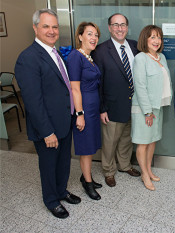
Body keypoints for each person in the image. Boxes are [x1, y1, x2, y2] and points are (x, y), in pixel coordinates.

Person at [14, 9, 81, 219]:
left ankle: (61, 191)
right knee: (49, 165)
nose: (52, 31)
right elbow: (33, 101)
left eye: (54, 26)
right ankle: (51, 200)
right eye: (46, 26)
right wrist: (47, 132)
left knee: (63, 162)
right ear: (35, 28)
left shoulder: (55, 52)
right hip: (48, 127)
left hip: (64, 119)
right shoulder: (28, 58)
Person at [92, 13, 141, 187]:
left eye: (123, 25)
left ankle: (125, 165)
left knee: (126, 138)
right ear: (109, 27)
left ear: (127, 27)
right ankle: (108, 170)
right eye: (115, 25)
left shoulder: (136, 46)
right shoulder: (101, 50)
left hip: (133, 104)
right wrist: (102, 108)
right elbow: (98, 83)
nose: (119, 28)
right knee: (110, 141)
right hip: (112, 105)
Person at [131, 25, 172, 191]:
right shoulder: (141, 58)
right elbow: (140, 86)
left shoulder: (161, 57)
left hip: (158, 106)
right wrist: (147, 111)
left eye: (159, 37)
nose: (156, 41)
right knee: (143, 142)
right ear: (145, 39)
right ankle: (144, 174)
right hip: (143, 108)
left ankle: (148, 170)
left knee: (152, 140)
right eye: (152, 37)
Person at [66, 22, 102, 200]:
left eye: (96, 35)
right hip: (84, 108)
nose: (94, 38)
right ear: (80, 36)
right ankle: (87, 183)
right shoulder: (75, 57)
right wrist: (79, 114)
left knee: (92, 144)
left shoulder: (89, 57)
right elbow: (74, 89)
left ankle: (86, 176)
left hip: (93, 108)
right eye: (89, 34)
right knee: (86, 148)